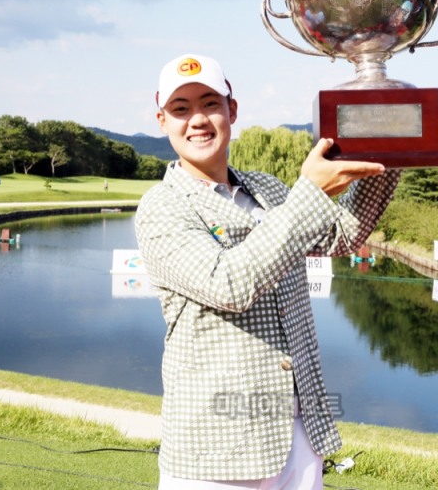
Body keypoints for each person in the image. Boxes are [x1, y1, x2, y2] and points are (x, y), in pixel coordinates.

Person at [135, 54, 401, 489]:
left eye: (210, 104)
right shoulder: (161, 208)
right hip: (216, 448)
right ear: (162, 119)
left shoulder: (268, 189)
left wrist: (386, 156)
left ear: (232, 111)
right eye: (181, 109)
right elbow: (229, 283)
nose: (197, 120)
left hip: (297, 433)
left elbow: (341, 237)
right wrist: (310, 191)